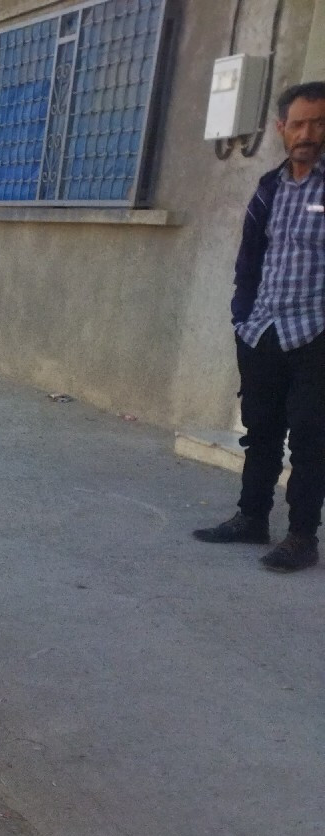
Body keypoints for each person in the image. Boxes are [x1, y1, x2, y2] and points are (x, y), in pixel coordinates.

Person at [195, 81, 325, 572]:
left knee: (311, 438)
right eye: (298, 123)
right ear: (281, 128)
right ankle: (252, 518)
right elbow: (250, 257)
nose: (307, 133)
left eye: (318, 122)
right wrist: (241, 315)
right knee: (260, 431)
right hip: (262, 330)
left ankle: (301, 537)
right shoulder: (270, 186)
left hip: (315, 334)